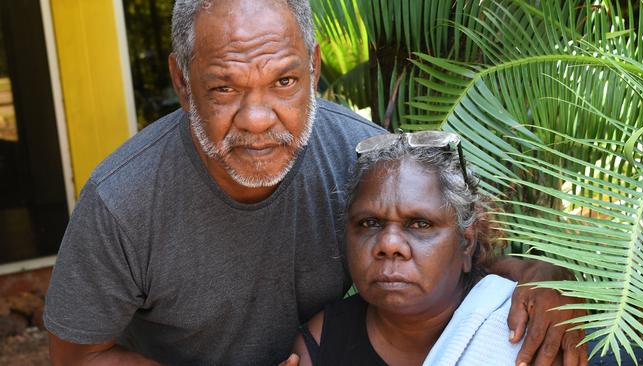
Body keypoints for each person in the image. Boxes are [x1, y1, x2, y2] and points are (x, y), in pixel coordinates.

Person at [44, 0, 586, 365]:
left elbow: (447, 245)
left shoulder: (360, 158)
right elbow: (78, 356)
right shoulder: (122, 201)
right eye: (225, 88)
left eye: (283, 81)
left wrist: (547, 278)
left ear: (314, 68)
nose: (258, 118)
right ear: (183, 83)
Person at [290, 131, 575, 366]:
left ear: (466, 242)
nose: (389, 245)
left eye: (420, 224)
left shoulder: (528, 325)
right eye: (369, 223)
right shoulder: (322, 343)